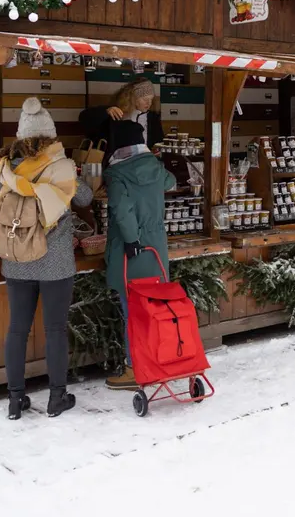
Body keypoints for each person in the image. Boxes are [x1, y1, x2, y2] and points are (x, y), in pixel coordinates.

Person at [0, 97, 92, 419]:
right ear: (50, 135)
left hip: (16, 258)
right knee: (55, 329)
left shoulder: (7, 169)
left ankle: (16, 400)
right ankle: (57, 398)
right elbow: (83, 197)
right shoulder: (62, 167)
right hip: (55, 262)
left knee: (17, 329)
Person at [102, 120, 176, 389]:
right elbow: (171, 182)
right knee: (155, 306)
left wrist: (132, 239)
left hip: (131, 250)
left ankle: (135, 369)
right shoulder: (156, 167)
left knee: (132, 310)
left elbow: (122, 210)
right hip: (156, 246)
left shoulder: (116, 173)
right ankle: (160, 359)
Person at [79, 77, 163, 157]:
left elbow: (159, 142)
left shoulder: (153, 118)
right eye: (145, 99)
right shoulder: (118, 114)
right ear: (133, 98)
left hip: (145, 163)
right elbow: (84, 117)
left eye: (151, 99)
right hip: (119, 164)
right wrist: (106, 111)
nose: (149, 103)